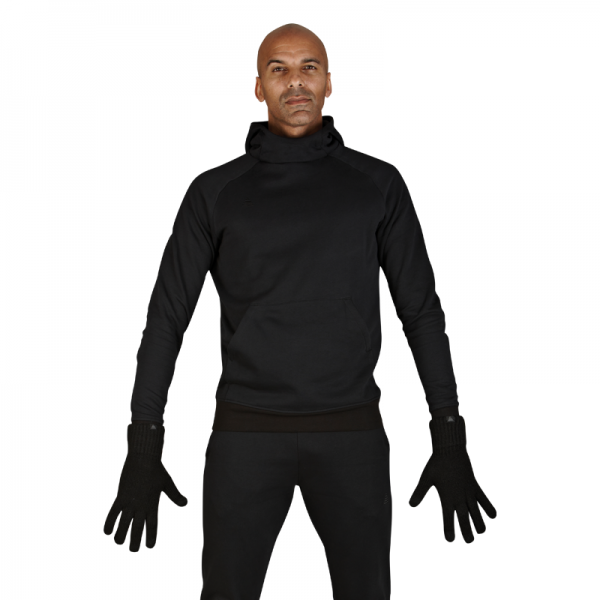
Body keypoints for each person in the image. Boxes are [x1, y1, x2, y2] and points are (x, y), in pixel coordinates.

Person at [104, 22, 497, 600]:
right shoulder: (214, 193)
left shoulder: (378, 185)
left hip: (352, 435)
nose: (295, 82)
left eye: (309, 68)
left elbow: (421, 312)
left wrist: (449, 430)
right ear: (257, 86)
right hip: (245, 436)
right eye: (279, 69)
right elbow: (166, 319)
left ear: (329, 82)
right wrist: (144, 440)